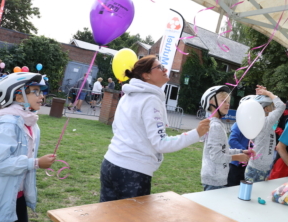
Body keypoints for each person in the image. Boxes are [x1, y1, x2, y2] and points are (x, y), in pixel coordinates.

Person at [100, 55, 210, 202]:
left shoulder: (127, 96)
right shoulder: (151, 100)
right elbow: (161, 143)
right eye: (159, 67)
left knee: (107, 216)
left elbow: (116, 128)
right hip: (132, 172)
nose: (165, 69)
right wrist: (196, 133)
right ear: (146, 75)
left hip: (109, 164)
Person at [0, 72, 56, 222]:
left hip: (16, 195)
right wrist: (35, 163)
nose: (41, 96)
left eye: (41, 92)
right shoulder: (7, 123)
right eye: (35, 92)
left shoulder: (29, 121)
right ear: (18, 96)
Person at [200, 85, 252, 191]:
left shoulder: (217, 124)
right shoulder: (215, 126)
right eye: (224, 101)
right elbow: (216, 156)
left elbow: (223, 150)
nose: (228, 104)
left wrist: (241, 151)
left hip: (217, 177)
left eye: (228, 102)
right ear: (211, 102)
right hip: (214, 179)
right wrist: (237, 157)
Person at [242, 86, 285, 183]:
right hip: (258, 169)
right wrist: (269, 94)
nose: (274, 107)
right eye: (271, 106)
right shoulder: (266, 122)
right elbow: (281, 106)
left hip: (259, 167)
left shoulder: (261, 121)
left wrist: (263, 95)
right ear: (266, 109)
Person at [227, 122, 250, 187]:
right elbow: (232, 141)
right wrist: (244, 150)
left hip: (246, 163)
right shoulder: (239, 124)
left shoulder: (252, 127)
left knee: (240, 189)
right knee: (231, 188)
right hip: (235, 163)